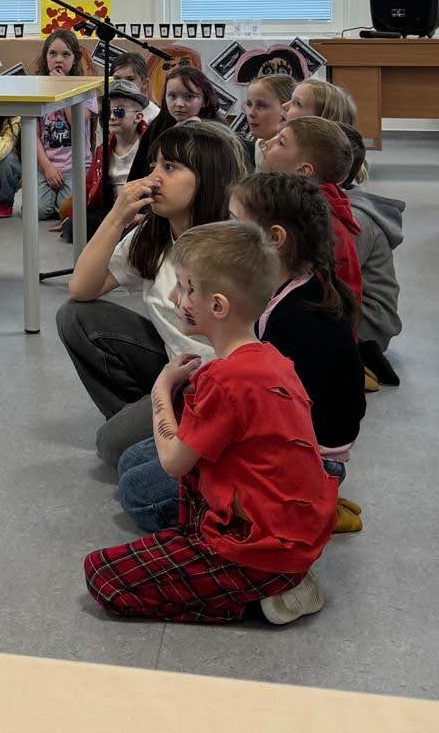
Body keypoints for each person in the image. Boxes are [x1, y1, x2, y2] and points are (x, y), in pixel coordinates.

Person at [84, 220, 336, 626]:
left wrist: (161, 389)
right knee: (171, 467)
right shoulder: (273, 359)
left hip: (256, 551)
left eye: (186, 288)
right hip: (288, 534)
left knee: (102, 575)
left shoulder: (225, 378)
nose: (174, 296)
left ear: (218, 306)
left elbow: (173, 462)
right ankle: (272, 579)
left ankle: (255, 592)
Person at [119, 171, 365, 535]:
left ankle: (302, 510)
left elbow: (267, 422)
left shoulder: (296, 318)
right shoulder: (287, 289)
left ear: (274, 239)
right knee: (129, 459)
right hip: (274, 441)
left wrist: (170, 394)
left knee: (136, 492)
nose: (226, 228)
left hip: (301, 466)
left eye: (235, 222)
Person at [57, 118, 249, 469]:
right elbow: (82, 288)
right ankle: (152, 424)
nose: (153, 178)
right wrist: (116, 217)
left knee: (113, 448)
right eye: (154, 165)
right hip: (177, 368)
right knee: (74, 316)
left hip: (219, 383)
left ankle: (172, 434)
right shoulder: (154, 234)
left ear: (207, 178)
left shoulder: (232, 246)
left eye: (170, 167)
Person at [259, 117, 363, 306]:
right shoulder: (289, 205)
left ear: (303, 170)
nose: (267, 143)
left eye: (281, 142)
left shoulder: (321, 226)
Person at [338, 124, 403, 386]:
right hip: (347, 310)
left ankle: (356, 358)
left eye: (283, 143)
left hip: (368, 326)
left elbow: (330, 280)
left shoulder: (354, 218)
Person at [33, 29, 98, 220]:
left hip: (75, 166)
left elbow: (77, 122)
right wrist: (47, 167)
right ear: (45, 57)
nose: (58, 60)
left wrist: (64, 89)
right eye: (52, 54)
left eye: (66, 54)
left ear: (75, 59)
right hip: (46, 165)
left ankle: (59, 202)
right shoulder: (37, 87)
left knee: (69, 210)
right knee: (38, 210)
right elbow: (33, 135)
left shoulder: (86, 89)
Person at [127, 64, 222, 181]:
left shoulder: (218, 134)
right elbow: (137, 173)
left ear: (205, 100)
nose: (179, 104)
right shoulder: (157, 126)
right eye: (172, 96)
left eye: (189, 97)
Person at [86, 80, 148, 215]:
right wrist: (72, 216)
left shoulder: (151, 145)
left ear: (138, 117)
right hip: (112, 211)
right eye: (107, 112)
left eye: (119, 111)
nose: (112, 117)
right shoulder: (102, 150)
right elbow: (89, 185)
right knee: (73, 224)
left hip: (142, 210)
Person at [243, 74, 295, 164]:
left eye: (261, 105)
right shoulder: (260, 143)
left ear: (286, 108)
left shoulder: (294, 155)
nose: (251, 113)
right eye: (249, 104)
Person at [109, 54, 160, 124]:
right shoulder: (106, 111)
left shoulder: (155, 116)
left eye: (130, 79)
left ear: (144, 83)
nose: (122, 85)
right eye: (117, 79)